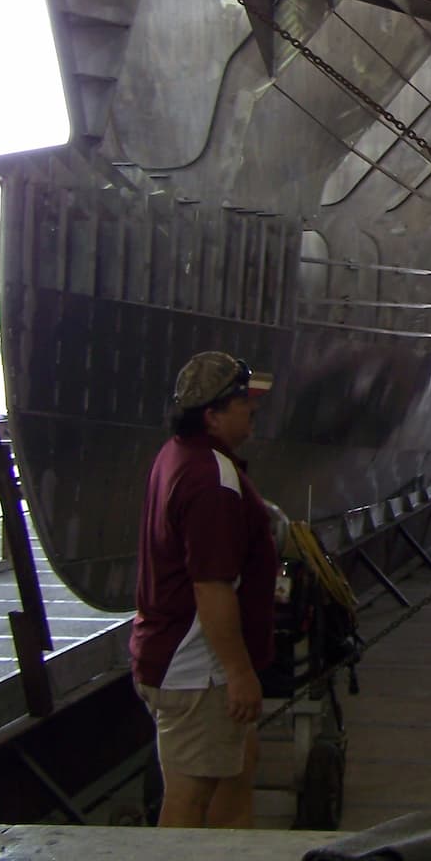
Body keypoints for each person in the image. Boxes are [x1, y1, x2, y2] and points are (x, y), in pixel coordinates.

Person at [131, 351, 280, 828]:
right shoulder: (213, 481)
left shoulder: (176, 456)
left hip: (174, 654)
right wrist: (239, 673)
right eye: (242, 402)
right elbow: (212, 586)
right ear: (212, 416)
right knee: (189, 796)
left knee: (238, 762)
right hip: (199, 671)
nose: (252, 409)